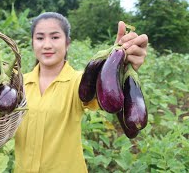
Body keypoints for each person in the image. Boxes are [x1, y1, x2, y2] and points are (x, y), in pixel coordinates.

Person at [14, 12, 148, 173]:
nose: (47, 44)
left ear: (67, 43)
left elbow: (105, 95)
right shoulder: (18, 84)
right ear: (32, 43)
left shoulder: (80, 81)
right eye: (40, 38)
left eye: (55, 37)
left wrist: (116, 64)